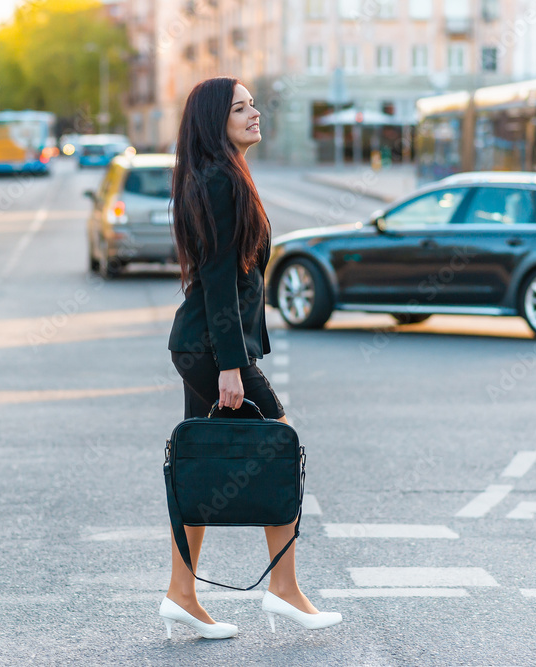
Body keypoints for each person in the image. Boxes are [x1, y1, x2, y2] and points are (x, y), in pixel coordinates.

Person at [162, 76, 342, 639]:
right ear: (217, 122)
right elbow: (218, 280)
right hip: (212, 350)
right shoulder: (220, 182)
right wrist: (232, 366)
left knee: (196, 466)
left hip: (201, 346)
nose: (254, 113)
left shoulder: (223, 175)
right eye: (241, 108)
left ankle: (181, 594)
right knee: (279, 447)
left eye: (253, 104)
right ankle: (283, 590)